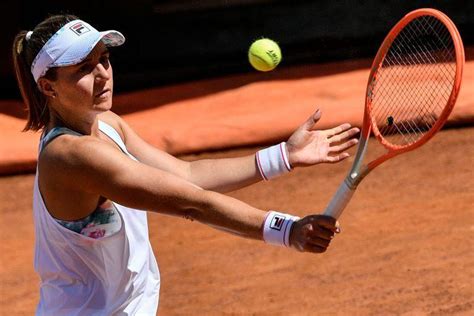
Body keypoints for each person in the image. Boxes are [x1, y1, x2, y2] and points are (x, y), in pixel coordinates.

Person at [12, 14, 360, 315]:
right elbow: (190, 201)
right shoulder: (71, 155)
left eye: (104, 59)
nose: (102, 74)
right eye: (84, 69)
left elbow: (186, 174)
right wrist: (287, 230)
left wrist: (283, 155)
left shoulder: (107, 125)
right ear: (48, 87)